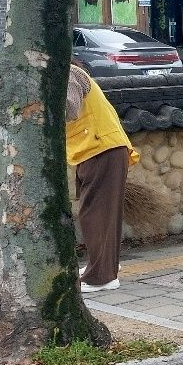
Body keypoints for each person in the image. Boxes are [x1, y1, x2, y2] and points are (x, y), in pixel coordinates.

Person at [66, 64, 140, 292]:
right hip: (98, 148)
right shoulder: (68, 71)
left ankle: (102, 277)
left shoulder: (66, 73)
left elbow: (69, 108)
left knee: (95, 214)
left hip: (101, 149)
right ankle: (104, 268)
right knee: (101, 215)